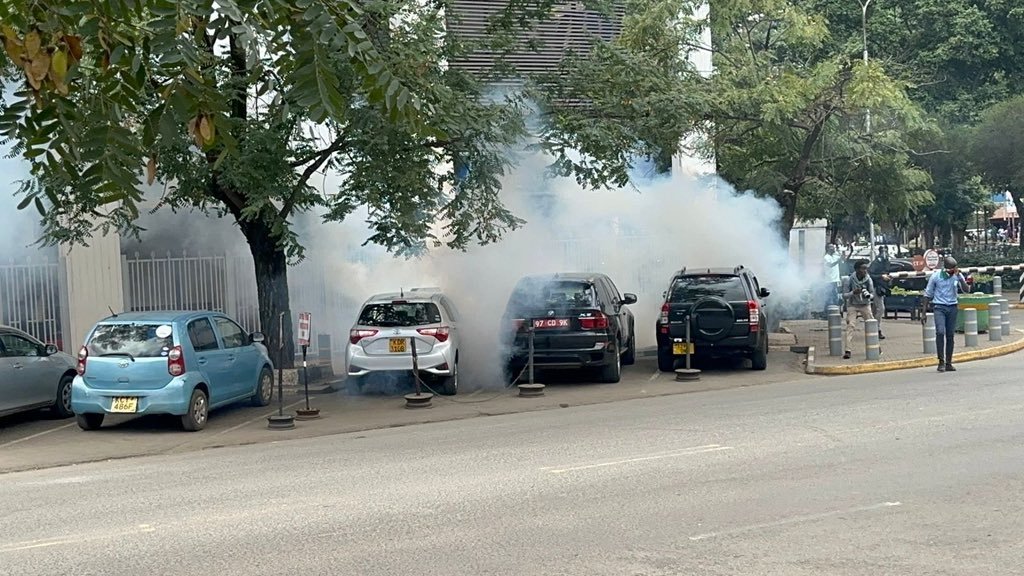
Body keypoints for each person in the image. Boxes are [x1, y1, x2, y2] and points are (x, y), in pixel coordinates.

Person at [923, 256, 970, 372]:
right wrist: (923, 312)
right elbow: (927, 294)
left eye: (954, 269)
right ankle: (941, 361)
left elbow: (966, 290)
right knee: (940, 332)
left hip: (952, 307)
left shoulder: (956, 276)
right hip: (939, 307)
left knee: (950, 335)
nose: (952, 272)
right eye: (951, 270)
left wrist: (959, 277)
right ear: (946, 268)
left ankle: (949, 362)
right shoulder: (936, 276)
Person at [841, 259, 876, 360]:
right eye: (863, 268)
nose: (865, 271)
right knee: (850, 326)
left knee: (871, 324)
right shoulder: (849, 280)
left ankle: (876, 347)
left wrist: (869, 295)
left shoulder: (868, 279)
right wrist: (853, 292)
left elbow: (872, 293)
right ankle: (848, 350)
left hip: (865, 304)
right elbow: (844, 295)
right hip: (853, 305)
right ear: (856, 269)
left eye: (866, 269)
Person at [867, 246, 892, 339]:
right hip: (875, 287)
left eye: (886, 251)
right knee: (881, 309)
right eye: (883, 251)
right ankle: (877, 329)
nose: (885, 253)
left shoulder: (886, 261)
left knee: (874, 309)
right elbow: (870, 274)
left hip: (882, 287)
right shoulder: (877, 262)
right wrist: (881, 276)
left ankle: (872, 327)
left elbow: (887, 271)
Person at [822, 244, 844, 316]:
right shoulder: (826, 257)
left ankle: (834, 312)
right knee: (829, 297)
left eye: (833, 247)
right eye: (831, 247)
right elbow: (830, 265)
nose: (833, 248)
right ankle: (826, 313)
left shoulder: (835, 256)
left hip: (836, 280)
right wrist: (838, 261)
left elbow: (841, 258)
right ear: (827, 249)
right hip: (829, 280)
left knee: (835, 297)